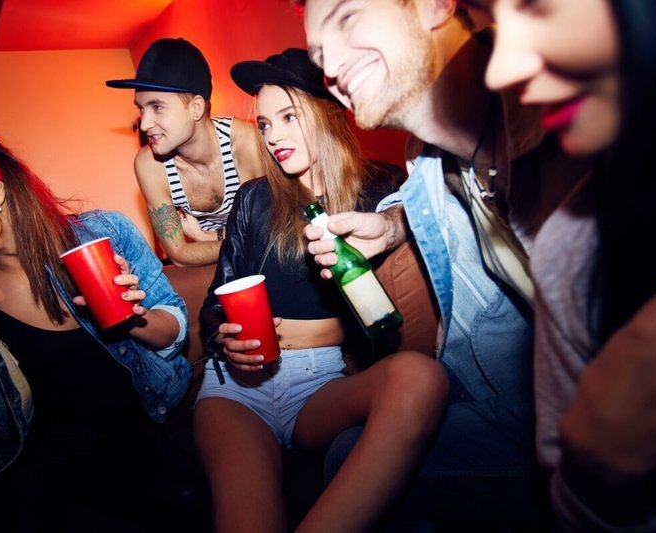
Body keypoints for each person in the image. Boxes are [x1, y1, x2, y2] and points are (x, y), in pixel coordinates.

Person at [297, 0, 590, 528]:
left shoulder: (571, 102)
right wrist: (390, 226)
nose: (332, 67)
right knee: (347, 451)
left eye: (347, 17)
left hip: (607, 418)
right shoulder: (427, 153)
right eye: (319, 56)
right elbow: (433, 194)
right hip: (512, 382)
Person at [0, 104, 193, 532]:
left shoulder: (105, 233)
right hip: (44, 489)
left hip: (148, 450)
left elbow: (176, 331)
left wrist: (134, 317)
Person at [193, 48, 447, 533]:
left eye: (288, 117)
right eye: (265, 124)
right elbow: (214, 302)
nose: (273, 136)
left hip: (320, 381)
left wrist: (394, 223)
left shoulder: (381, 188)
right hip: (236, 390)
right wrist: (223, 338)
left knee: (420, 380)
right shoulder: (254, 198)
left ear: (328, 112)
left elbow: (429, 216)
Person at [476, 0, 656, 529]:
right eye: (489, 17)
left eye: (533, 4)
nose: (500, 70)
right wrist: (597, 462)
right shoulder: (573, 249)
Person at [107, 37, 264, 267]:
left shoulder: (247, 142)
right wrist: (238, 241)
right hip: (217, 267)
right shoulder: (150, 165)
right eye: (141, 109)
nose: (144, 124)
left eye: (157, 107)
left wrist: (205, 237)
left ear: (196, 108)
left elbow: (271, 231)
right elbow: (179, 255)